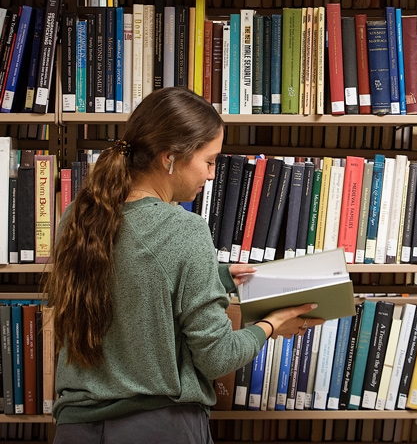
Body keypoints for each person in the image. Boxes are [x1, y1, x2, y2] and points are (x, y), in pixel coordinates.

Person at [46, 86, 324, 444]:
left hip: (74, 430)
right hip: (159, 428)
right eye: (209, 161)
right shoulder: (184, 228)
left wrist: (219, 277)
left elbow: (128, 279)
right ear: (169, 158)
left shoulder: (78, 215)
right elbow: (217, 358)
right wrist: (272, 325)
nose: (211, 175)